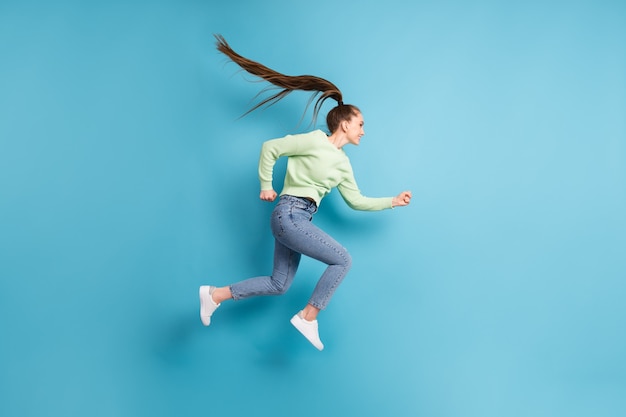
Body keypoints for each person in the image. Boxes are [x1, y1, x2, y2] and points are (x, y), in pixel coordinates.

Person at [200, 35, 411, 350]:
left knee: (279, 284)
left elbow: (356, 200)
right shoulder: (314, 140)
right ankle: (308, 317)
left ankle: (214, 295)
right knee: (342, 260)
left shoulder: (342, 164)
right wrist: (266, 185)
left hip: (299, 219)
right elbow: (271, 148)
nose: (364, 131)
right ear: (344, 124)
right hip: (289, 214)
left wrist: (391, 202)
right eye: (360, 124)